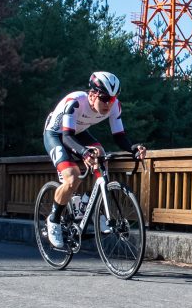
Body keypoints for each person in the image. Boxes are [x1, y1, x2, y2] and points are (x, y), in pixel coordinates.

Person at [43, 71, 147, 248]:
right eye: (105, 98)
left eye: (113, 99)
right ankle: (53, 219)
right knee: (72, 177)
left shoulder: (114, 106)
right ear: (92, 95)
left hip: (78, 132)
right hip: (56, 134)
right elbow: (67, 137)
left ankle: (89, 202)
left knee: (101, 155)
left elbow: (119, 136)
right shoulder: (75, 102)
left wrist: (133, 148)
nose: (109, 104)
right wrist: (84, 153)